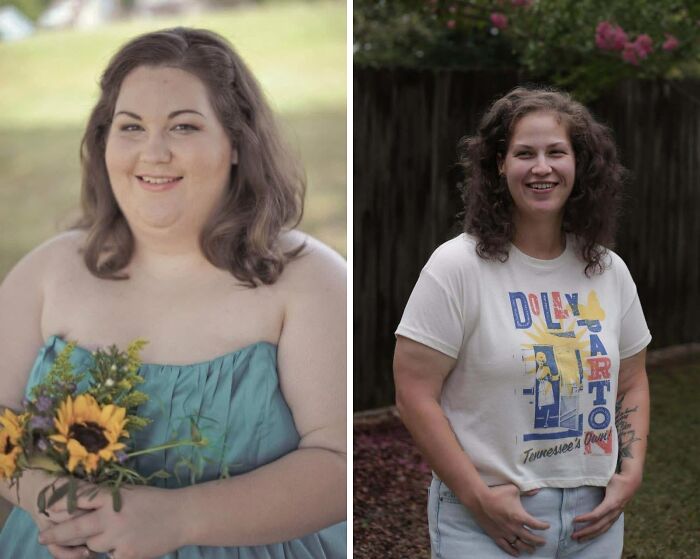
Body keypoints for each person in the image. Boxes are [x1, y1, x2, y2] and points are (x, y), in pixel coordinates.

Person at [0, 27, 346, 559]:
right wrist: (50, 499)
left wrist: (180, 517)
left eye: (183, 126)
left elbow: (339, 462)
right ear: (104, 141)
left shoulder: (308, 282)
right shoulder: (47, 272)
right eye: (131, 126)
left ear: (236, 144)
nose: (153, 152)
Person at [394, 86, 650, 558]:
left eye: (557, 152)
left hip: (593, 519)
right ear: (498, 164)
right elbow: (413, 392)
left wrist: (629, 472)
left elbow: (631, 381)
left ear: (579, 164)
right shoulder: (456, 267)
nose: (542, 167)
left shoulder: (608, 270)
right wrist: (476, 495)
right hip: (485, 518)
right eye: (524, 153)